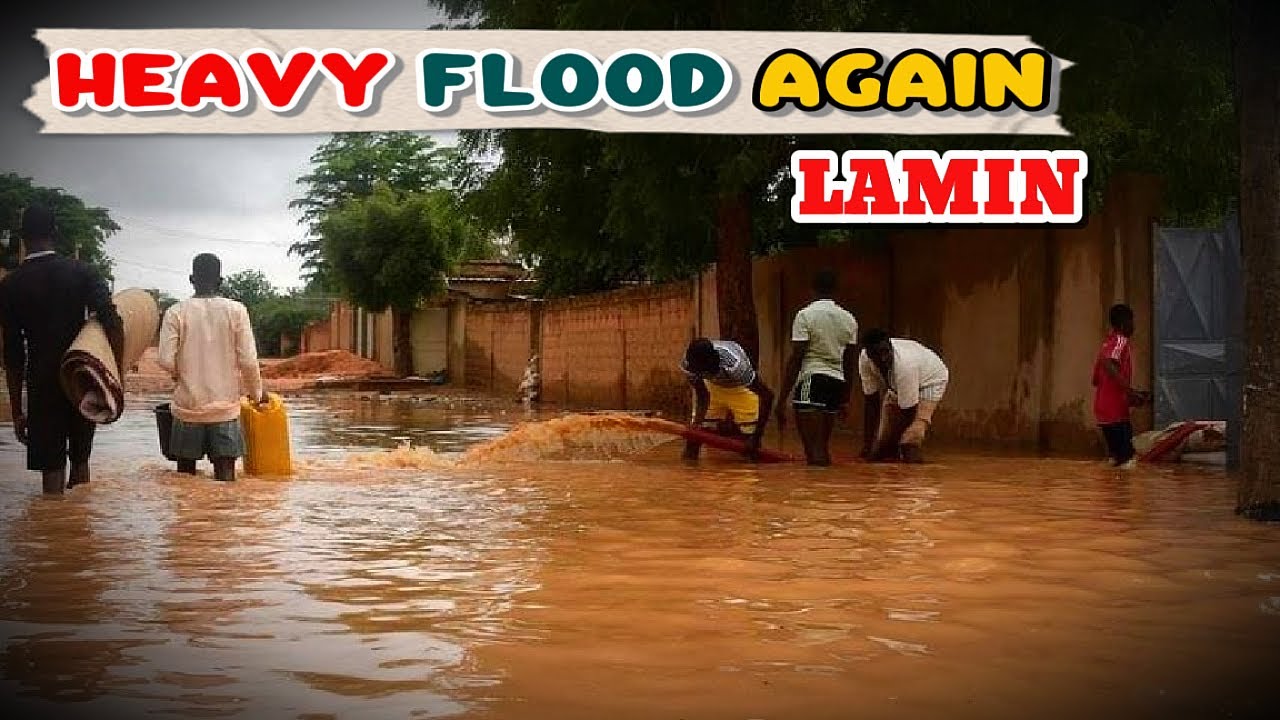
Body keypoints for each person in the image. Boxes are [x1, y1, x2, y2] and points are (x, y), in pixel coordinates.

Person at [0, 204, 124, 494]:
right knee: (81, 460)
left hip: (42, 384)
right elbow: (112, 321)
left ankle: (51, 530)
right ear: (55, 233)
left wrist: (18, 410)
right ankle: (79, 529)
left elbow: (12, 353)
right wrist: (116, 377)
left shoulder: (11, 286)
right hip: (82, 377)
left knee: (51, 472)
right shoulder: (81, 272)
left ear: (22, 237)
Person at [157, 253, 267, 482]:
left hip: (187, 409)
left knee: (186, 483)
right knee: (226, 481)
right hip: (225, 410)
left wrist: (180, 374)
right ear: (221, 281)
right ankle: (223, 514)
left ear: (191, 279)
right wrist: (257, 394)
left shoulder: (175, 312)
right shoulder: (237, 311)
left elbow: (165, 360)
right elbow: (248, 360)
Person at [777, 269, 859, 466]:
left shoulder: (805, 315)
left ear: (812, 290)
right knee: (821, 447)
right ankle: (825, 492)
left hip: (812, 380)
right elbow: (850, 361)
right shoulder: (849, 319)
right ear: (835, 291)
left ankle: (814, 494)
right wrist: (845, 398)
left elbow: (797, 357)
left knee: (813, 450)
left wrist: (781, 399)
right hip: (836, 383)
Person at [858, 329, 949, 463]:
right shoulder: (864, 360)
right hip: (896, 386)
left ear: (890, 347)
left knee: (909, 442)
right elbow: (871, 402)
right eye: (878, 355)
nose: (883, 358)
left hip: (930, 381)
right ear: (869, 354)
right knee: (882, 444)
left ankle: (913, 472)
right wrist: (868, 445)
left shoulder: (905, 366)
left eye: (886, 352)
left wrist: (891, 445)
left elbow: (908, 412)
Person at [680, 338, 775, 462]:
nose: (696, 373)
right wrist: (697, 424)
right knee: (694, 438)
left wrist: (757, 437)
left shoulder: (736, 366)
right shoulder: (688, 364)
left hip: (741, 387)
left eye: (700, 371)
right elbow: (702, 395)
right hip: (712, 388)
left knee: (751, 446)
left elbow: (767, 396)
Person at [1092, 303, 1150, 469]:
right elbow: (1109, 363)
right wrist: (1129, 392)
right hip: (1116, 413)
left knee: (1115, 460)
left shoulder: (1105, 345)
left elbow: (1096, 380)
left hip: (1103, 413)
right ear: (1125, 323)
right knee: (1129, 461)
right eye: (1133, 322)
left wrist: (1131, 396)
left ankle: (1113, 493)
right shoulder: (1120, 340)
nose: (1134, 326)